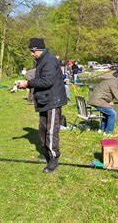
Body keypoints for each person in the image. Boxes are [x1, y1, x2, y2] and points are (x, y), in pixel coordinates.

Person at [18, 38, 68, 173]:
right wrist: (27, 84)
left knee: (51, 130)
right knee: (43, 128)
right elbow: (40, 79)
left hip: (53, 100)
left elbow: (47, 82)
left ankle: (54, 158)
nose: (31, 54)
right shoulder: (41, 60)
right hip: (45, 99)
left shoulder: (49, 60)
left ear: (36, 49)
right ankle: (46, 150)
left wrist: (28, 84)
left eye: (32, 51)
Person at [88, 70, 118, 137]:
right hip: (98, 101)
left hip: (96, 100)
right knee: (112, 113)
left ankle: (102, 130)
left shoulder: (108, 80)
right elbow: (117, 95)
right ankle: (108, 133)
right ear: (117, 76)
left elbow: (105, 93)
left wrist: (109, 101)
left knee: (106, 113)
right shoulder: (113, 82)